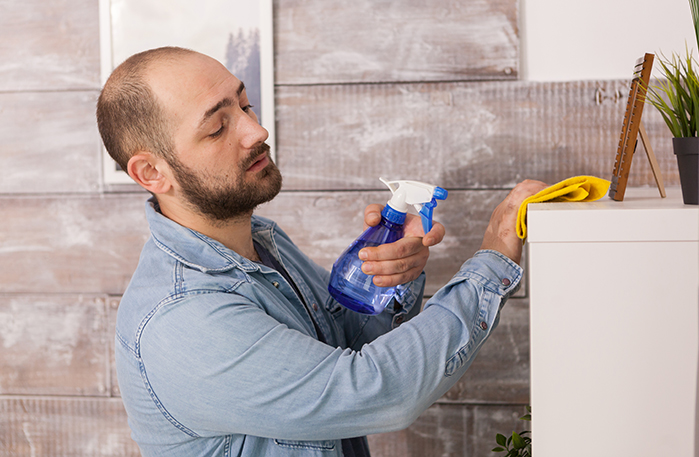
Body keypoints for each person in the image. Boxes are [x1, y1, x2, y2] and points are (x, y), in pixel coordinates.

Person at [96, 46, 547, 457]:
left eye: (245, 104)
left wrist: (390, 276)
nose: (257, 130)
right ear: (152, 171)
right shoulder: (183, 317)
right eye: (217, 127)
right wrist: (493, 259)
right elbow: (371, 390)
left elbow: (344, 346)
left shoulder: (261, 243)